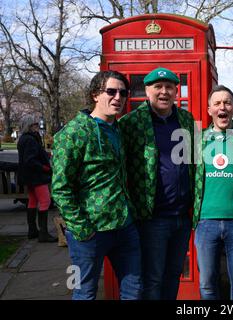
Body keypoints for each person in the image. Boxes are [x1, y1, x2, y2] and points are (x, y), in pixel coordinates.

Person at [52, 70, 142, 300]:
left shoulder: (119, 129)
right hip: (90, 231)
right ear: (95, 95)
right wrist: (81, 229)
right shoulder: (73, 133)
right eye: (111, 91)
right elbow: (61, 188)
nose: (118, 97)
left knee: (134, 290)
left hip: (124, 226)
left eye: (123, 92)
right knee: (84, 292)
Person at [119, 67, 195, 300]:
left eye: (170, 87)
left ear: (176, 91)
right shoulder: (131, 122)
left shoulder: (186, 118)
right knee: (152, 277)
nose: (164, 92)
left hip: (182, 215)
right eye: (158, 87)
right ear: (147, 90)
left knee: (173, 274)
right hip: (152, 217)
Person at [192, 85, 233, 300]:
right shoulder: (197, 139)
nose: (223, 107)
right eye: (217, 103)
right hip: (205, 222)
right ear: (209, 109)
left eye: (227, 102)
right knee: (207, 284)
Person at [17, 116, 57, 243]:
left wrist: (46, 154)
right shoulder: (30, 139)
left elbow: (30, 157)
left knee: (33, 201)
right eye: (35, 124)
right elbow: (31, 160)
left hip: (28, 176)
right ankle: (43, 234)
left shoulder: (23, 139)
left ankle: (33, 231)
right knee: (45, 201)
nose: (37, 127)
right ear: (29, 126)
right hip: (37, 176)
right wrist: (45, 168)